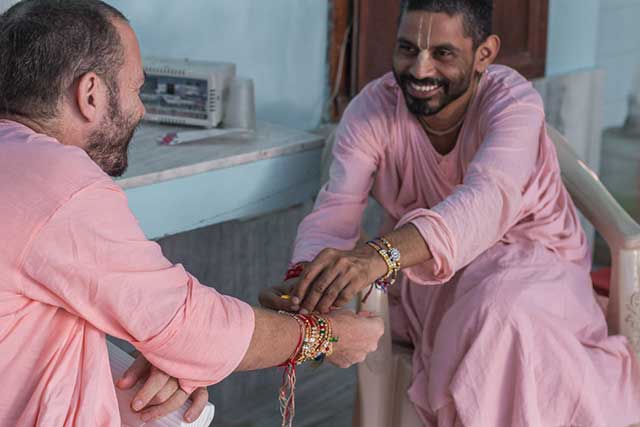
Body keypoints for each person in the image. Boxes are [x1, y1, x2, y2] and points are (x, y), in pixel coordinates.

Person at [0, 1, 384, 426]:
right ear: (90, 94)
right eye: (136, 89)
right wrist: (328, 336)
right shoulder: (59, 182)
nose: (142, 110)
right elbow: (193, 326)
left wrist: (178, 355)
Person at [260, 0, 640, 425]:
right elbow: (336, 211)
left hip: (539, 267)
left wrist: (378, 255)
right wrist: (305, 282)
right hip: (432, 279)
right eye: (407, 49)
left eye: (442, 53)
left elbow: (486, 201)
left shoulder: (513, 103)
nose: (420, 70)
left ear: (484, 54)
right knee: (485, 313)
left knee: (502, 311)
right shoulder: (373, 109)